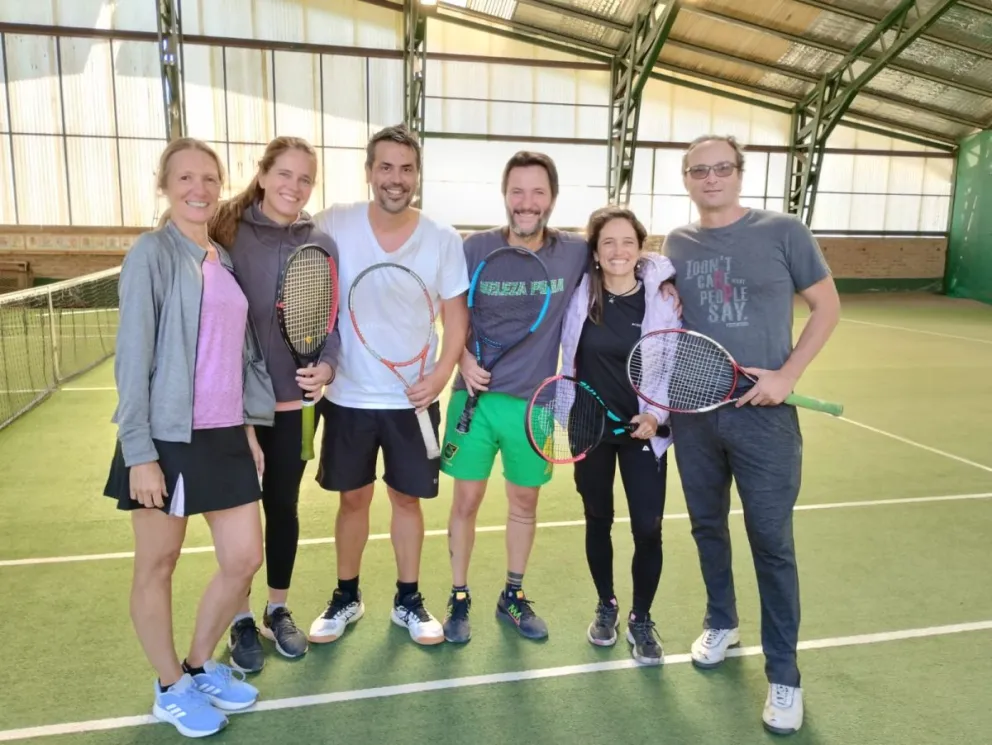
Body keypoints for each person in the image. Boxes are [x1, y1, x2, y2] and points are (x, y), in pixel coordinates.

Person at [662, 134, 840, 735]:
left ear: (740, 174)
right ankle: (722, 619)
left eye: (721, 168)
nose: (710, 178)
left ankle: (784, 677)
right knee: (707, 527)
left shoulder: (784, 230)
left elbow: (827, 307)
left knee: (771, 544)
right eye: (698, 170)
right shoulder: (676, 245)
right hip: (694, 415)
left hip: (765, 420)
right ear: (686, 179)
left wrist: (789, 374)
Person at [103, 137, 275, 738]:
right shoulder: (151, 253)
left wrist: (249, 428)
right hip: (166, 436)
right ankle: (169, 687)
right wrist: (140, 453)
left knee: (243, 560)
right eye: (185, 178)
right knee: (158, 564)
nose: (198, 189)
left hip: (226, 434)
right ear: (165, 185)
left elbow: (237, 353)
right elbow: (132, 358)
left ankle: (197, 666)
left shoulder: (221, 260)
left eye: (209, 178)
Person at [308, 124, 469, 646]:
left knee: (407, 501)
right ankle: (347, 595)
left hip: (413, 403)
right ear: (369, 171)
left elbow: (455, 319)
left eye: (405, 169)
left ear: (417, 175)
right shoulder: (333, 223)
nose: (395, 179)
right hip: (349, 397)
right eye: (385, 167)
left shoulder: (443, 239)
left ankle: (408, 600)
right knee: (352, 501)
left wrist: (441, 375)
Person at [440, 151, 588, 643]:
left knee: (524, 501)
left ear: (552, 199)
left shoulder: (573, 252)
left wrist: (665, 280)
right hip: (474, 403)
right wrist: (461, 359)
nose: (527, 203)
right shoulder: (473, 247)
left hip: (536, 406)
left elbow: (625, 256)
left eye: (538, 192)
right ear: (505, 196)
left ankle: (513, 595)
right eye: (518, 191)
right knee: (466, 501)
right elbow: (449, 311)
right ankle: (459, 596)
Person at [208, 136, 340, 672]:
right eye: (284, 174)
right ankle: (239, 618)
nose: (294, 186)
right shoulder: (226, 233)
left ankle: (276, 608)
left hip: (299, 411)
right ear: (262, 175)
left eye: (305, 178)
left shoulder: (323, 243)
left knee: (282, 507)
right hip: (235, 410)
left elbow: (330, 320)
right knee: (239, 514)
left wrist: (328, 365)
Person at [558, 205, 680, 665]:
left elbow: (670, 367)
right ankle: (607, 605)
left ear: (640, 248)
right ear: (594, 250)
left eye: (628, 241)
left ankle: (641, 617)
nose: (618, 250)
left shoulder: (663, 300)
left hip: (642, 432)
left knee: (648, 528)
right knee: (597, 518)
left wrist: (655, 415)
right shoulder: (579, 296)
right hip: (589, 429)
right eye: (608, 241)